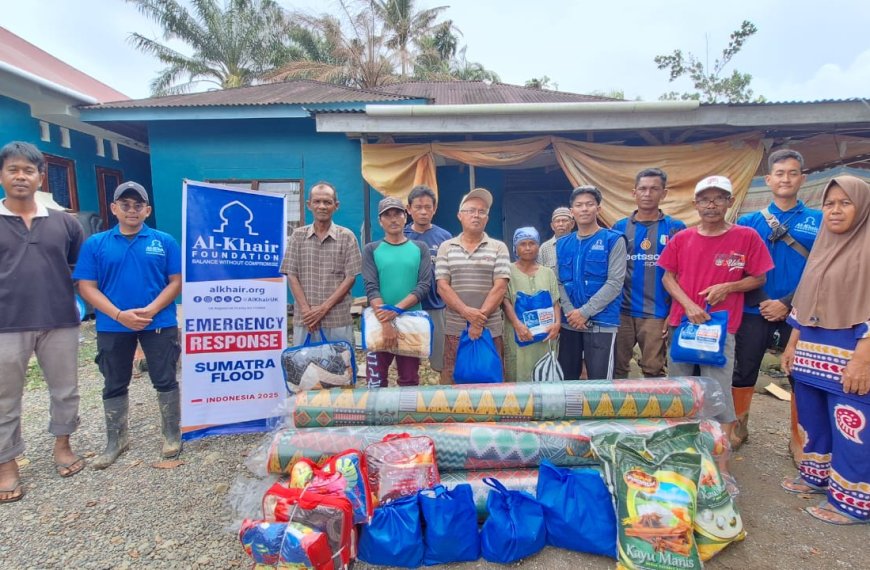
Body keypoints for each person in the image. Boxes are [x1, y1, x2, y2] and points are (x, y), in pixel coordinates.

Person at [780, 175, 870, 526]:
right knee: (815, 422)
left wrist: (864, 358)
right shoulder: (823, 245)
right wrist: (791, 346)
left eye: (844, 203)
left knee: (853, 428)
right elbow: (805, 299)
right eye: (829, 203)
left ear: (861, 207)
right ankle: (817, 477)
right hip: (811, 353)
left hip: (851, 355)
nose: (835, 210)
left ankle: (853, 500)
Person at [74, 181, 182, 468]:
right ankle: (116, 439)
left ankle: (171, 433)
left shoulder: (164, 241)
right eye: (125, 205)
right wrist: (120, 315)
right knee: (114, 381)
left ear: (147, 210)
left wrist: (150, 309)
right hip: (113, 325)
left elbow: (176, 282)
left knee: (165, 379)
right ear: (114, 208)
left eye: (137, 205)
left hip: (158, 321)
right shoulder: (96, 244)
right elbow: (86, 286)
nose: (131, 210)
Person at [0, 141, 85, 503]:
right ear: (2, 175)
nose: (21, 176)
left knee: (65, 390)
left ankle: (62, 445)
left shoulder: (64, 223)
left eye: (28, 170)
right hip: (6, 324)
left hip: (59, 320)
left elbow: (80, 269)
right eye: (13, 169)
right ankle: (6, 463)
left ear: (40, 176)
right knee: (5, 398)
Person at [658, 175, 774, 440]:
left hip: (720, 327)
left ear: (729, 202)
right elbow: (668, 277)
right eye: (705, 200)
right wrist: (688, 305)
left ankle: (720, 452)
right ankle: (682, 443)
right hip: (684, 324)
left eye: (718, 199)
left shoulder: (746, 237)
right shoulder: (682, 238)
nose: (711, 205)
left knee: (717, 388)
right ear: (696, 204)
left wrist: (728, 287)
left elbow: (759, 277)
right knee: (680, 388)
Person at [733, 149, 821, 451]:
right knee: (743, 370)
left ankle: (800, 440)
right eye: (780, 173)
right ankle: (739, 429)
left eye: (792, 173)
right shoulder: (748, 222)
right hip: (753, 309)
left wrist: (786, 302)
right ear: (768, 179)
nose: (786, 179)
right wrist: (763, 302)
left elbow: (821, 269)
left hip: (801, 311)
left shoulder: (818, 220)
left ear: (802, 178)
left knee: (800, 373)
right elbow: (740, 266)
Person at [612, 168, 686, 379]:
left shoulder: (675, 228)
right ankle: (619, 409)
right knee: (617, 367)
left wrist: (673, 311)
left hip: (657, 312)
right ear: (633, 193)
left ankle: (653, 412)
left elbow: (682, 273)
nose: (647, 193)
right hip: (622, 311)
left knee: (653, 369)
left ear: (664, 193)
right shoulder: (619, 227)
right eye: (642, 189)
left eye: (654, 189)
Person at [435, 188, 510, 384]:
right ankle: (456, 416)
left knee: (490, 377)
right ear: (460, 215)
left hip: (490, 328)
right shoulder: (447, 247)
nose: (476, 215)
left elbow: (500, 287)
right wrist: (467, 313)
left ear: (487, 218)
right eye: (470, 210)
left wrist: (478, 321)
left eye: (482, 211)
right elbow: (442, 286)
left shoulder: (498, 247)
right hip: (455, 328)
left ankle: (490, 416)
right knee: (454, 378)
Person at [556, 186, 627, 380]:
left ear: (599, 209)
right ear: (572, 212)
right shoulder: (563, 243)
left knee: (601, 382)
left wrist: (584, 312)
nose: (584, 209)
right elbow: (559, 282)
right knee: (567, 381)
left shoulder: (613, 240)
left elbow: (614, 283)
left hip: (602, 322)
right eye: (579, 205)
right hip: (570, 323)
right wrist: (573, 313)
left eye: (590, 204)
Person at [281, 182, 362, 346]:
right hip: (306, 319)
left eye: (327, 202)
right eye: (317, 202)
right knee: (304, 367)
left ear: (336, 206)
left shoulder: (347, 237)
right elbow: (292, 274)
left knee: (339, 368)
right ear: (309, 205)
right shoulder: (298, 236)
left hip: (337, 318)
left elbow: (351, 277)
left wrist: (323, 309)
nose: (322, 206)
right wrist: (306, 310)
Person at [362, 197, 432, 387]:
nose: (393, 219)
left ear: (405, 217)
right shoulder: (371, 249)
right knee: (375, 380)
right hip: (379, 323)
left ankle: (407, 416)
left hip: (411, 322)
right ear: (380, 221)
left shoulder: (420, 248)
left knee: (409, 379)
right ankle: (377, 417)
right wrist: (386, 322)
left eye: (397, 214)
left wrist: (396, 310)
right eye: (387, 215)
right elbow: (371, 287)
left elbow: (424, 285)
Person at [403, 185, 452, 373]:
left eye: (428, 207)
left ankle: (442, 395)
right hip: (410, 307)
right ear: (409, 209)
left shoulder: (445, 237)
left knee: (441, 361)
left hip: (438, 306)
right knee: (408, 361)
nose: (423, 212)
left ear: (434, 209)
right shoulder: (402, 236)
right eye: (418, 207)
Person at [502, 227, 561, 381]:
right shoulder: (507, 271)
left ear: (538, 246)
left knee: (544, 378)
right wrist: (517, 325)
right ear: (515, 247)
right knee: (518, 377)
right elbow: (505, 300)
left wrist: (557, 324)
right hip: (519, 335)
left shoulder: (547, 273)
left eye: (532, 243)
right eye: (523, 244)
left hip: (545, 337)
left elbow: (555, 301)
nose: (528, 248)